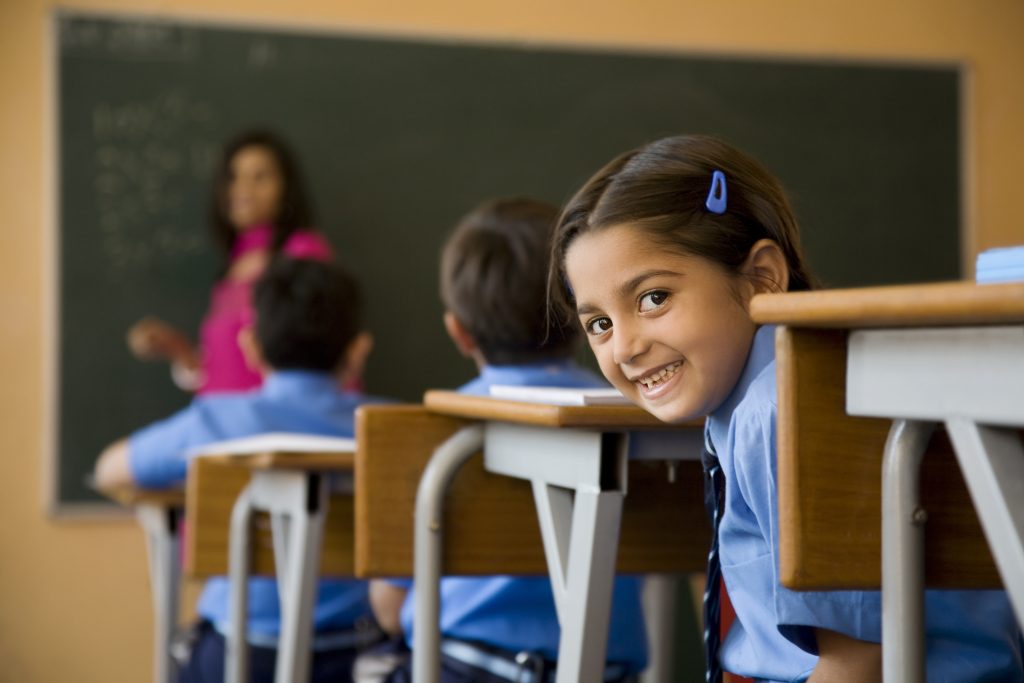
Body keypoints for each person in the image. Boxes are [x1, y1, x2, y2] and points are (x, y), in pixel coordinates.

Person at [548, 134, 1024, 682]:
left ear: (761, 277)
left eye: (654, 299)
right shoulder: (771, 393)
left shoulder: (776, 416)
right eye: (599, 324)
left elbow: (856, 663)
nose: (625, 346)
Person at [366, 198, 648, 682]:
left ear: (459, 332)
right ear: (582, 316)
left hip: (458, 667)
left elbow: (389, 609)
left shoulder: (427, 433)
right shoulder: (646, 416)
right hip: (607, 670)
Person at [96, 258, 377, 683]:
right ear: (358, 349)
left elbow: (110, 470)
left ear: (251, 346)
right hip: (359, 655)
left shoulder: (215, 422)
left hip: (241, 655)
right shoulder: (388, 429)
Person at [127, 130, 333, 395]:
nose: (243, 189)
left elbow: (319, 359)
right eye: (233, 177)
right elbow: (223, 374)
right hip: (223, 422)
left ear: (286, 188)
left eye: (260, 176)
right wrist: (179, 350)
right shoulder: (231, 269)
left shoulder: (303, 253)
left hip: (269, 426)